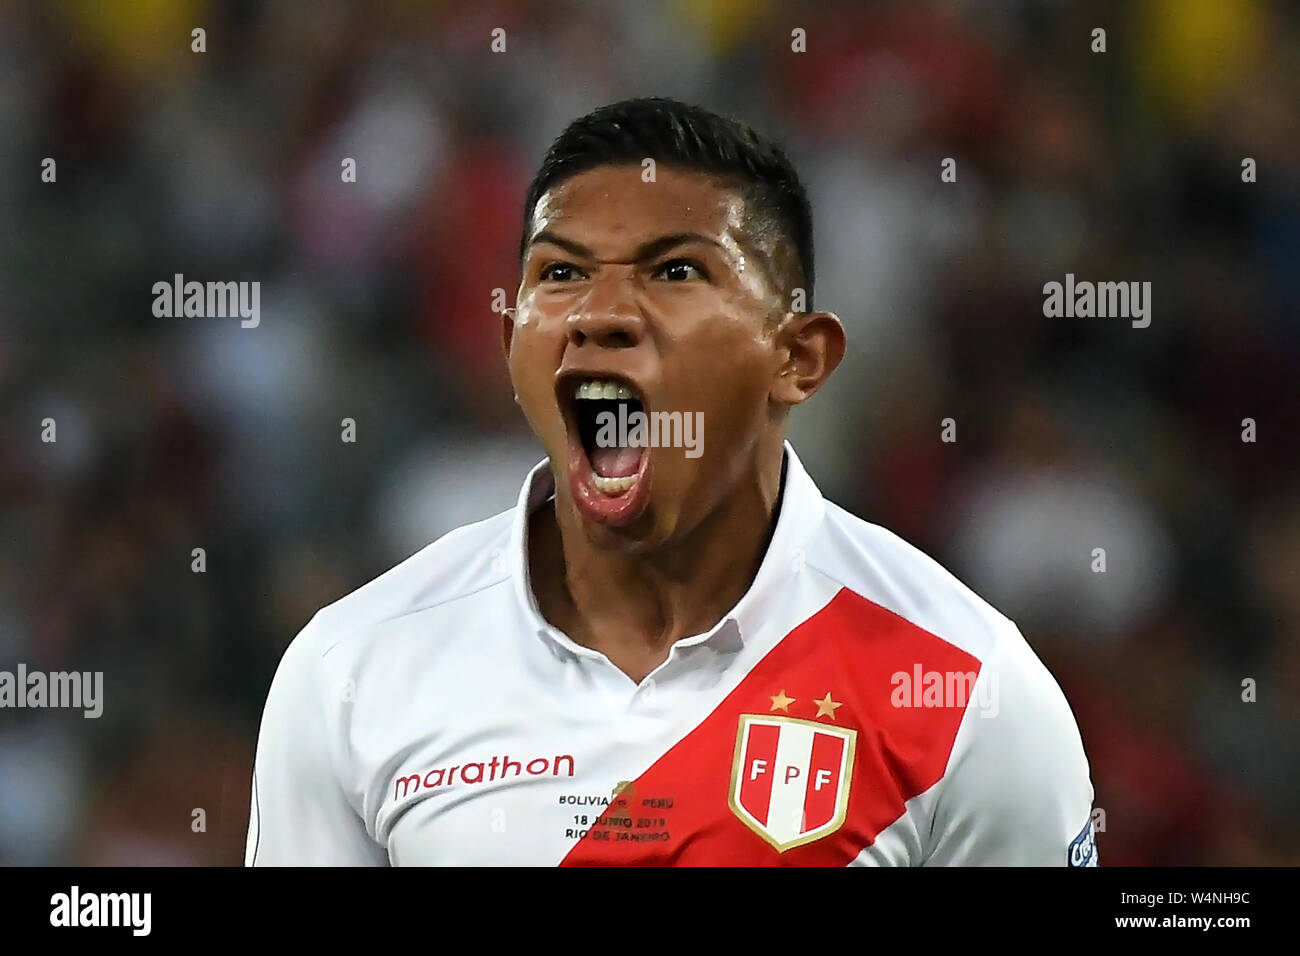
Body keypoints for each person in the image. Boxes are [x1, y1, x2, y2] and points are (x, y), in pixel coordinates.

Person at [246, 97, 1097, 866]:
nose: (600, 314)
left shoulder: (968, 691)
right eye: (561, 273)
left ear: (799, 358)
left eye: (676, 271)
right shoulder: (352, 671)